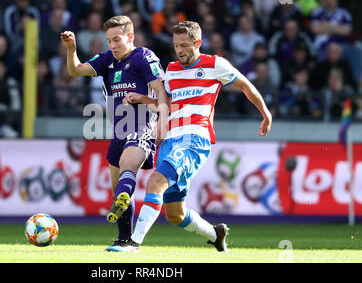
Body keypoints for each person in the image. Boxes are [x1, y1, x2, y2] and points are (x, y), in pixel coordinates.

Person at [111, 21, 272, 252]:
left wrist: (265, 113)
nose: (180, 50)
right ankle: (216, 234)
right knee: (175, 214)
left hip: (194, 138)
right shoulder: (173, 69)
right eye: (176, 45)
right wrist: (145, 100)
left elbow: (246, 86)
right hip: (170, 140)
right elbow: (168, 104)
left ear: (198, 43)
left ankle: (132, 243)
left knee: (155, 182)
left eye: (185, 45)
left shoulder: (215, 64)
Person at [60, 15, 168, 251]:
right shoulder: (107, 59)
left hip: (143, 127)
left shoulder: (144, 57)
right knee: (117, 185)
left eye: (117, 40)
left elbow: (161, 91)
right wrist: (71, 49)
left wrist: (162, 121)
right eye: (109, 40)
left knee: (128, 167)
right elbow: (76, 70)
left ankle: (122, 204)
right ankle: (123, 239)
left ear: (130, 37)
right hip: (119, 130)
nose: (113, 45)